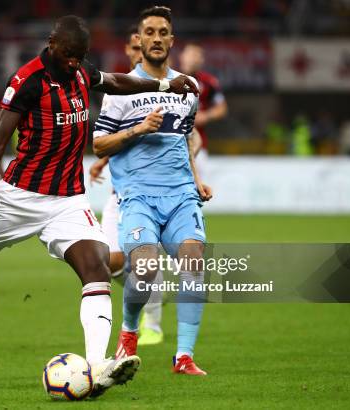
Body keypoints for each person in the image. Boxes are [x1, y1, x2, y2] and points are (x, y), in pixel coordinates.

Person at [0, 15, 198, 396]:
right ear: (53, 43)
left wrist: (164, 83)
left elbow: (117, 81)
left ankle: (98, 366)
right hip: (17, 198)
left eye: (79, 57)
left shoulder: (81, 71)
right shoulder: (27, 81)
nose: (73, 63)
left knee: (95, 268)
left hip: (67, 199)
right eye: (68, 55)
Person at [93, 6, 212, 375]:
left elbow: (184, 140)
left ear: (171, 41)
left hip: (180, 196)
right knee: (143, 269)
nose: (157, 38)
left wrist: (195, 180)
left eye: (163, 32)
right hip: (138, 196)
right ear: (139, 41)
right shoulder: (121, 91)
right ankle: (129, 331)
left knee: (193, 262)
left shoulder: (188, 89)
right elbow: (99, 145)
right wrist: (138, 130)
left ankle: (184, 357)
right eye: (150, 32)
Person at [89, 25, 142, 279]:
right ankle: (152, 297)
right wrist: (104, 159)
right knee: (108, 261)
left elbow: (185, 136)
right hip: (120, 191)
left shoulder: (169, 89)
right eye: (135, 48)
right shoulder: (118, 89)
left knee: (146, 259)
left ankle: (151, 318)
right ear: (127, 50)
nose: (140, 54)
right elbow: (106, 139)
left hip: (156, 192)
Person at [179, 42, 228, 179]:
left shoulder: (208, 82)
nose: (192, 59)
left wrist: (206, 116)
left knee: (199, 191)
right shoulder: (169, 80)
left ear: (202, 60)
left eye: (197, 55)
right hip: (172, 144)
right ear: (182, 57)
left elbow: (222, 108)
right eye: (190, 54)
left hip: (198, 145)